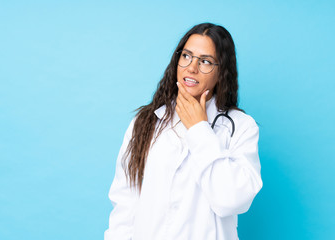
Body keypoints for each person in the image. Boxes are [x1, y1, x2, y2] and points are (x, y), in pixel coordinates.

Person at [104, 23, 262, 240]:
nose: (192, 68)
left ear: (222, 72)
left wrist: (199, 129)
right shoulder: (145, 123)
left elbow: (231, 200)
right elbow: (125, 204)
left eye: (205, 61)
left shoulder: (241, 127)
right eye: (186, 56)